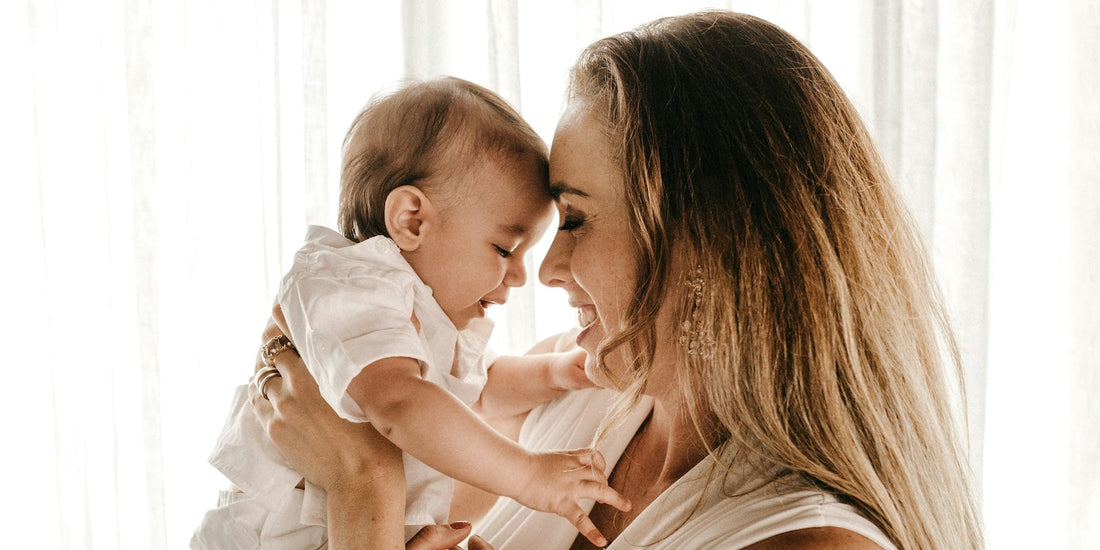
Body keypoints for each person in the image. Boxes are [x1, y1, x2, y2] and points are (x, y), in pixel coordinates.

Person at [252, 11, 986, 550]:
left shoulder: (809, 543)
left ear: (705, 242)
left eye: (573, 220)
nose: (544, 270)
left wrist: (363, 485)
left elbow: (372, 479)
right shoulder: (563, 408)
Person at [191, 77, 629, 550]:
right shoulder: (349, 283)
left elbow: (475, 392)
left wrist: (554, 373)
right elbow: (401, 403)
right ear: (411, 220)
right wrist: (527, 475)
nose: (523, 275)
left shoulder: (425, 314)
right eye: (506, 248)